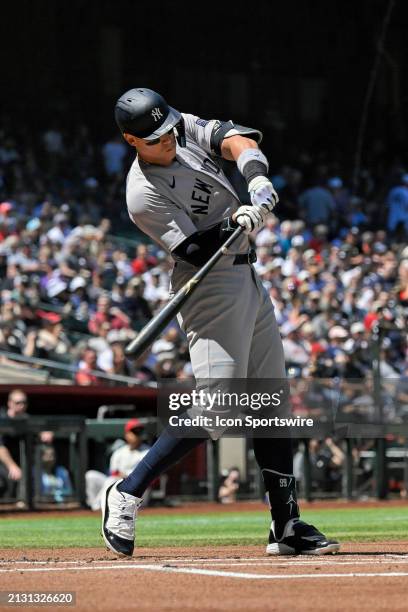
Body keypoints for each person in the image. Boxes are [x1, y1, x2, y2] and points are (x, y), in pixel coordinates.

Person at [101, 87, 340, 557]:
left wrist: (255, 180)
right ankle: (127, 491)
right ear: (132, 140)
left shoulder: (180, 125)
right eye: (155, 137)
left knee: (272, 402)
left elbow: (236, 140)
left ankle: (286, 525)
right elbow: (192, 249)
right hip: (207, 284)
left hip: (246, 273)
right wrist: (235, 225)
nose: (169, 139)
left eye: (169, 128)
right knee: (219, 407)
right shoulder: (141, 192)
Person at [86, 419, 150, 511]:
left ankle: (99, 507)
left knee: (113, 480)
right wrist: (121, 475)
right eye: (134, 431)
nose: (137, 434)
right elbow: (113, 472)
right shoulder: (119, 452)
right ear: (126, 435)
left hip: (137, 490)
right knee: (90, 475)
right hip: (118, 484)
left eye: (139, 431)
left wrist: (123, 475)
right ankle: (94, 505)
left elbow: (141, 475)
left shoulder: (147, 452)